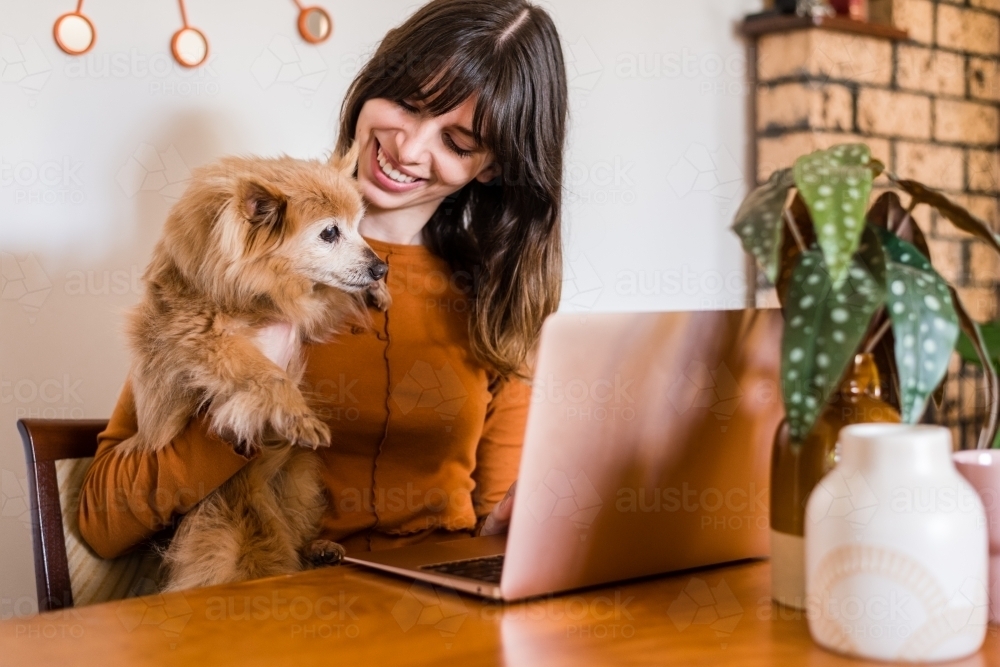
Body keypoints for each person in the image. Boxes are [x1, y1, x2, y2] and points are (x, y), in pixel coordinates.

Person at [78, 0, 567, 559]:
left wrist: (521, 526)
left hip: (440, 608)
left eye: (457, 143)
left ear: (494, 166)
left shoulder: (496, 297)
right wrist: (246, 402)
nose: (408, 148)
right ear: (373, 84)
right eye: (407, 104)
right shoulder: (241, 256)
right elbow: (102, 520)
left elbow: (493, 523)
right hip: (280, 600)